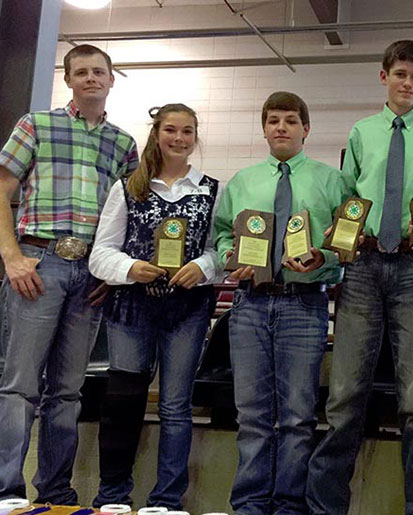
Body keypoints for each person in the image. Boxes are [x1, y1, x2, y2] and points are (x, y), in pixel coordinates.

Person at [306, 39, 413, 515]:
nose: (407, 83)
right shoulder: (362, 132)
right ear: (384, 77)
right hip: (364, 268)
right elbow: (349, 194)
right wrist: (340, 228)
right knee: (344, 396)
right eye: (400, 74)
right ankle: (325, 508)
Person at [0, 44, 138, 504]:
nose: (91, 78)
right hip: (38, 265)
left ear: (112, 79)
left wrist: (110, 271)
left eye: (99, 71)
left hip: (91, 274)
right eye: (81, 72)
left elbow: (131, 215)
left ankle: (56, 492)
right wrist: (11, 257)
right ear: (69, 79)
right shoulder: (36, 124)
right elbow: (2, 188)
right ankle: (6, 490)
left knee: (67, 392)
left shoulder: (123, 144)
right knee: (19, 386)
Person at [214, 91, 342, 515]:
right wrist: (230, 258)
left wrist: (324, 259)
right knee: (251, 414)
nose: (281, 127)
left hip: (304, 304)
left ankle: (289, 504)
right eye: (273, 120)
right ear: (264, 128)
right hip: (249, 304)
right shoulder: (242, 181)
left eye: (290, 120)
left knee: (298, 417)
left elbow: (346, 242)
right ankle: (250, 503)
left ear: (306, 129)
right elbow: (221, 237)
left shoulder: (330, 180)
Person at [88, 103, 221, 509]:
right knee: (123, 400)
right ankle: (113, 494)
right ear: (157, 134)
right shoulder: (128, 186)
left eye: (186, 131)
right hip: (132, 308)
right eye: (170, 130)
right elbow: (101, 254)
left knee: (176, 406)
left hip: (188, 310)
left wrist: (202, 266)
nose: (178, 138)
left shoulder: (211, 188)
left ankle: (166, 499)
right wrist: (131, 268)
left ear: (195, 137)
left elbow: (222, 250)